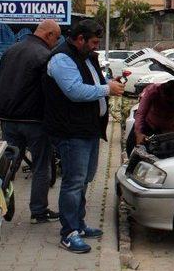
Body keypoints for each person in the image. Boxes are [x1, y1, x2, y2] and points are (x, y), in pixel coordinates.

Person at [43, 20, 125, 254]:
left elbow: (94, 83)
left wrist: (108, 84)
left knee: (85, 179)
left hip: (88, 130)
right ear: (80, 39)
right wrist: (107, 89)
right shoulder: (61, 59)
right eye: (94, 42)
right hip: (71, 132)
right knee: (73, 182)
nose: (97, 46)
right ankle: (68, 233)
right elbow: (75, 91)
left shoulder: (87, 56)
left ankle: (78, 224)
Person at [0, 19, 61, 224]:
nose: (57, 42)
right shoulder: (44, 56)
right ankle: (38, 211)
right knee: (41, 166)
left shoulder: (10, 51)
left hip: (7, 119)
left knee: (5, 167)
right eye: (56, 38)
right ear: (48, 35)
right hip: (34, 121)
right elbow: (50, 91)